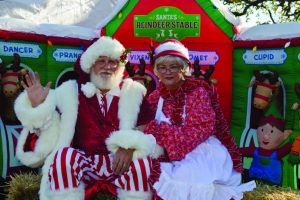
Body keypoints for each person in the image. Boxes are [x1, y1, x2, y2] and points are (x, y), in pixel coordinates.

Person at [14, 36, 157, 200]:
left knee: (142, 161)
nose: (108, 67)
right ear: (90, 64)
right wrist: (38, 107)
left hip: (120, 165)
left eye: (113, 61)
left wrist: (130, 146)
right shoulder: (70, 92)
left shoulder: (133, 91)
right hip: (86, 163)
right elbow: (50, 133)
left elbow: (149, 128)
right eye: (101, 61)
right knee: (64, 156)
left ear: (120, 65)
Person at [144, 39, 256, 200]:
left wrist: (157, 129)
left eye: (173, 67)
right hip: (167, 150)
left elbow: (197, 132)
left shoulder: (197, 92)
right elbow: (144, 125)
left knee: (187, 176)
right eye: (162, 67)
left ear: (184, 69)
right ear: (156, 71)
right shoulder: (155, 96)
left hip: (200, 151)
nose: (167, 72)